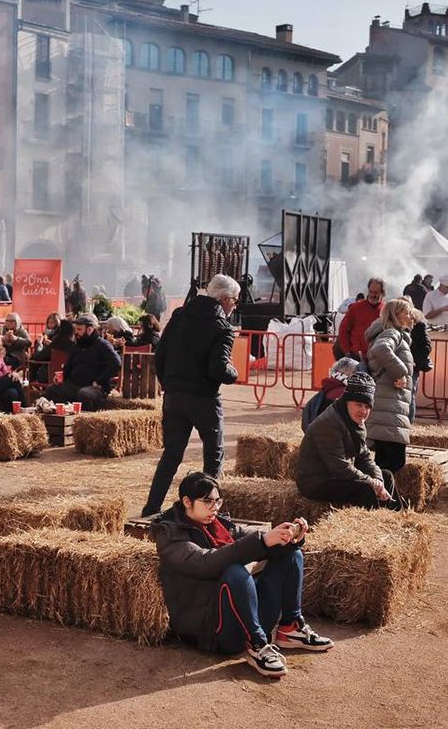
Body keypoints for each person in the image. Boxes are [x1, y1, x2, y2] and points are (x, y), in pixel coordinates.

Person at [151, 472, 333, 679]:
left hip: (242, 619)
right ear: (187, 501)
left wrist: (286, 537)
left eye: (218, 500)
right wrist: (263, 540)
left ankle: (290, 628)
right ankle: (257, 646)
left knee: (292, 554)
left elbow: (249, 540)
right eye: (208, 501)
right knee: (234, 571)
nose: (215, 507)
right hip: (213, 630)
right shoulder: (169, 534)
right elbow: (205, 563)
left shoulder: (217, 523)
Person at [141, 275, 238, 516]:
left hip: (174, 396)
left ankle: (151, 508)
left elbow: (159, 356)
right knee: (213, 455)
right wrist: (233, 373)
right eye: (235, 301)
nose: (235, 306)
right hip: (204, 397)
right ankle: (207, 510)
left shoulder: (179, 315)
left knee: (171, 456)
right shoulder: (222, 328)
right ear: (224, 299)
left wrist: (169, 385)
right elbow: (218, 369)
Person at [297, 372, 404, 509]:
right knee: (365, 488)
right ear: (347, 401)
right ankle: (373, 526)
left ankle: (396, 520)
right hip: (317, 480)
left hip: (336, 475)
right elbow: (339, 467)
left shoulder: (355, 420)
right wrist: (372, 483)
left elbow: (364, 456)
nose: (363, 411)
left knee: (386, 476)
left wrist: (378, 480)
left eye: (367, 407)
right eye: (359, 405)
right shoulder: (329, 424)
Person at [364, 298, 414, 474]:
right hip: (389, 407)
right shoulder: (391, 333)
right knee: (393, 462)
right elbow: (381, 349)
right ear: (396, 314)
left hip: (388, 406)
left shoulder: (389, 332)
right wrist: (401, 372)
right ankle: (378, 498)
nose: (410, 316)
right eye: (406, 312)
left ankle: (377, 498)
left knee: (385, 462)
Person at [42, 313, 121, 412]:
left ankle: (84, 421)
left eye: (79, 330)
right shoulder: (77, 346)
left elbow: (116, 363)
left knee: (84, 394)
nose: (76, 332)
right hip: (75, 384)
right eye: (75, 329)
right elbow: (69, 365)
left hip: (94, 387)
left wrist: (99, 380)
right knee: (51, 391)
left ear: (89, 329)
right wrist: (63, 376)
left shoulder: (102, 345)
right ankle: (63, 419)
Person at [332, 277, 385, 362]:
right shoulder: (356, 308)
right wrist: (347, 351)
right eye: (370, 292)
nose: (372, 295)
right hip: (355, 356)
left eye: (376, 293)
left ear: (382, 293)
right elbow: (343, 329)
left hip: (376, 359)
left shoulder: (386, 311)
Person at [31, 318, 75, 382]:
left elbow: (39, 357)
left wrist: (39, 344)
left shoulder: (57, 343)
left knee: (32, 362)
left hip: (50, 375)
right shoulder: (75, 344)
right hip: (69, 375)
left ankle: (32, 385)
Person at [408, 307, 432, 423]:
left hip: (413, 366)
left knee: (410, 395)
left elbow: (427, 347)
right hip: (404, 365)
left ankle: (409, 424)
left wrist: (415, 358)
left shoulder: (419, 326)